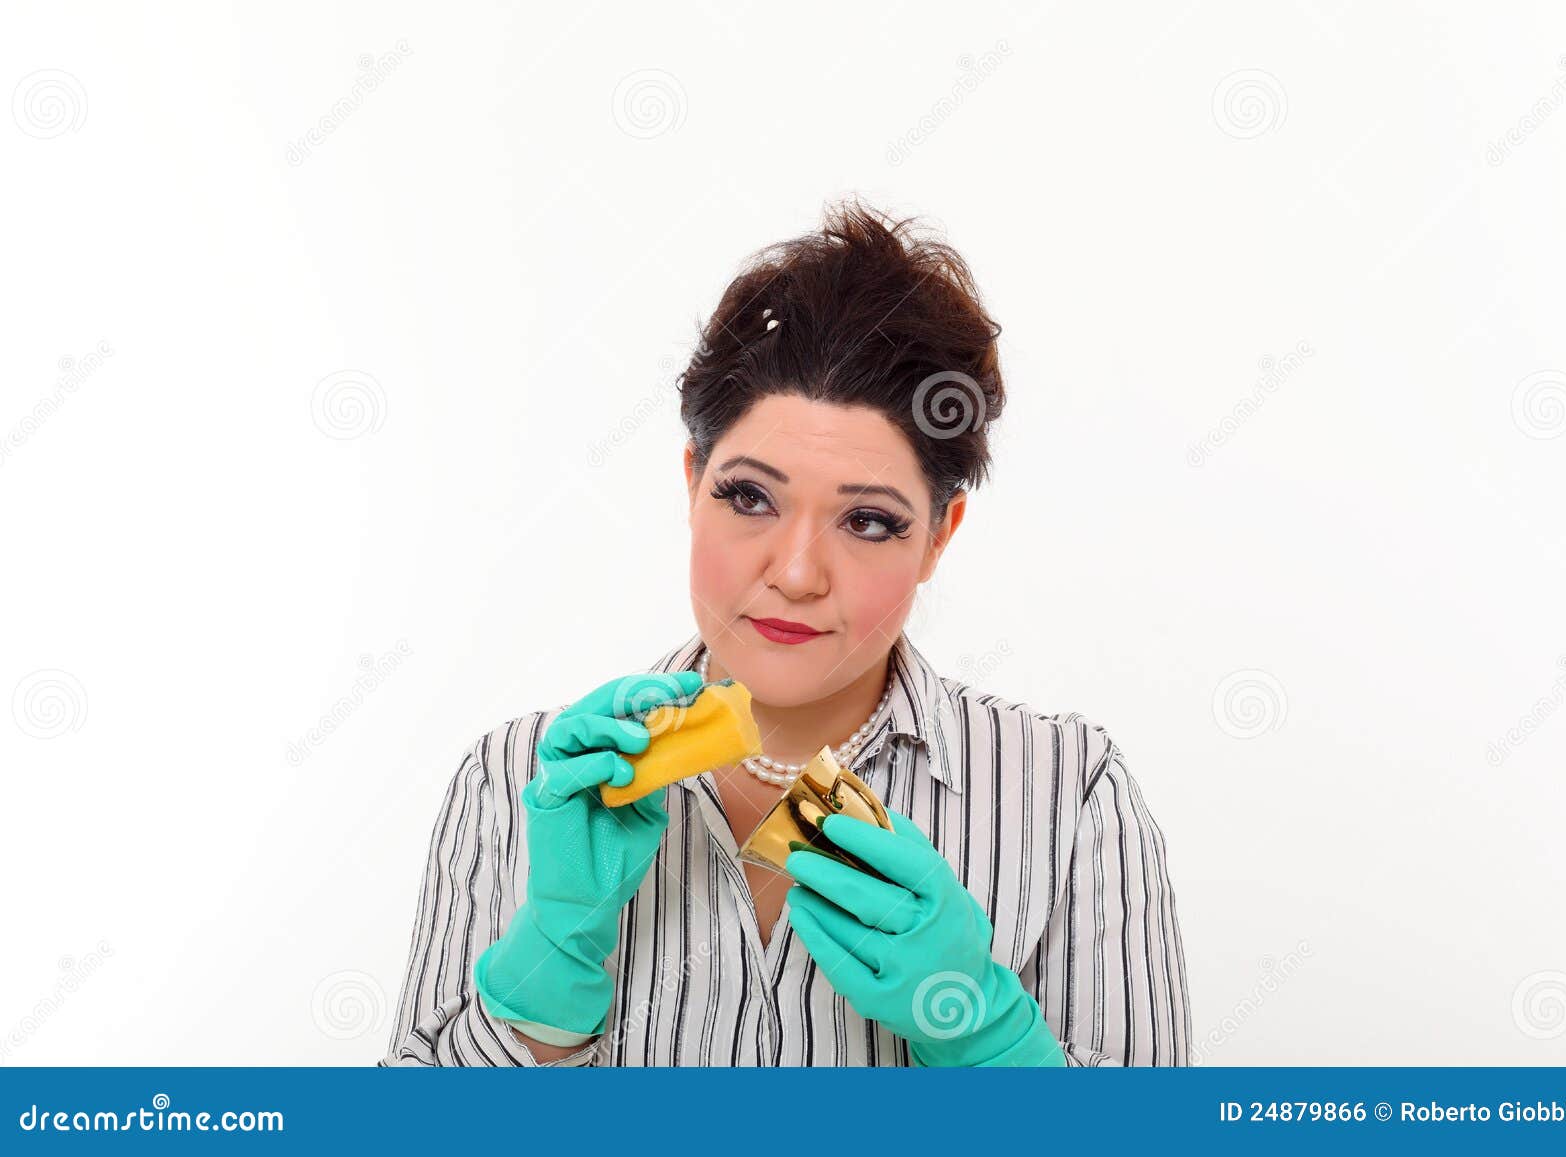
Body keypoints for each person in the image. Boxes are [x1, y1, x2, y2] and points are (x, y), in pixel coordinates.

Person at [380, 201, 1190, 1067]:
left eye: (870, 521)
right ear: (694, 482)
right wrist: (545, 989)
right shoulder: (515, 780)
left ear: (939, 536)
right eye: (750, 496)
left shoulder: (1070, 798)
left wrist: (988, 1034)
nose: (797, 573)